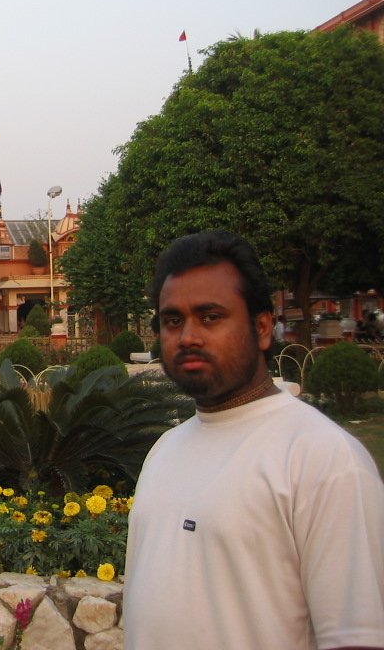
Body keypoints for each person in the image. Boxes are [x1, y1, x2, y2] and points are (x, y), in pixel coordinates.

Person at [123, 230, 384, 650]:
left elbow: (356, 637)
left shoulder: (322, 459)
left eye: (210, 316)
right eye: (173, 320)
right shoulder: (164, 451)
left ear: (262, 328)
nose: (188, 335)